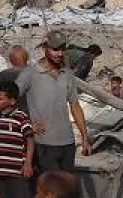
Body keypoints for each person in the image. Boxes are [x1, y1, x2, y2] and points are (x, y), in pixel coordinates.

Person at [18, 30, 92, 173]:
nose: (60, 54)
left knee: (66, 188)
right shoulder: (30, 73)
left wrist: (84, 137)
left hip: (68, 143)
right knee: (50, 189)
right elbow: (11, 99)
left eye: (62, 49)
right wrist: (27, 125)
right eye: (55, 49)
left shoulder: (68, 74)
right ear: (45, 49)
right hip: (43, 144)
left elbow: (75, 106)